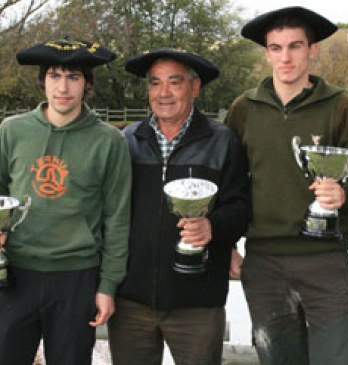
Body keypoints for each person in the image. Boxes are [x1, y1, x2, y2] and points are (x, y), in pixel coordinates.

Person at [225, 6, 348, 365]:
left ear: (313, 50)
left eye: (295, 46)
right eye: (276, 48)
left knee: (340, 359)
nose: (286, 57)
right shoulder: (244, 109)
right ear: (266, 52)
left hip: (325, 259)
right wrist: (227, 244)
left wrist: (344, 195)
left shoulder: (343, 108)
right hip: (263, 262)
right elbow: (229, 186)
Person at [0, 38, 132, 365]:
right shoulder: (12, 131)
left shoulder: (108, 141)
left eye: (74, 77)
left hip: (77, 278)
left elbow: (117, 218)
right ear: (43, 81)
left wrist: (108, 286)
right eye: (55, 76)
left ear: (87, 84)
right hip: (16, 275)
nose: (63, 87)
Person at [107, 48, 251, 365]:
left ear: (195, 87)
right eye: (155, 83)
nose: (164, 93)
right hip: (131, 302)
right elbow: (108, 213)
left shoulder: (223, 141)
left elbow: (241, 207)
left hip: (198, 303)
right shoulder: (126, 140)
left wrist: (213, 227)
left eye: (175, 82)